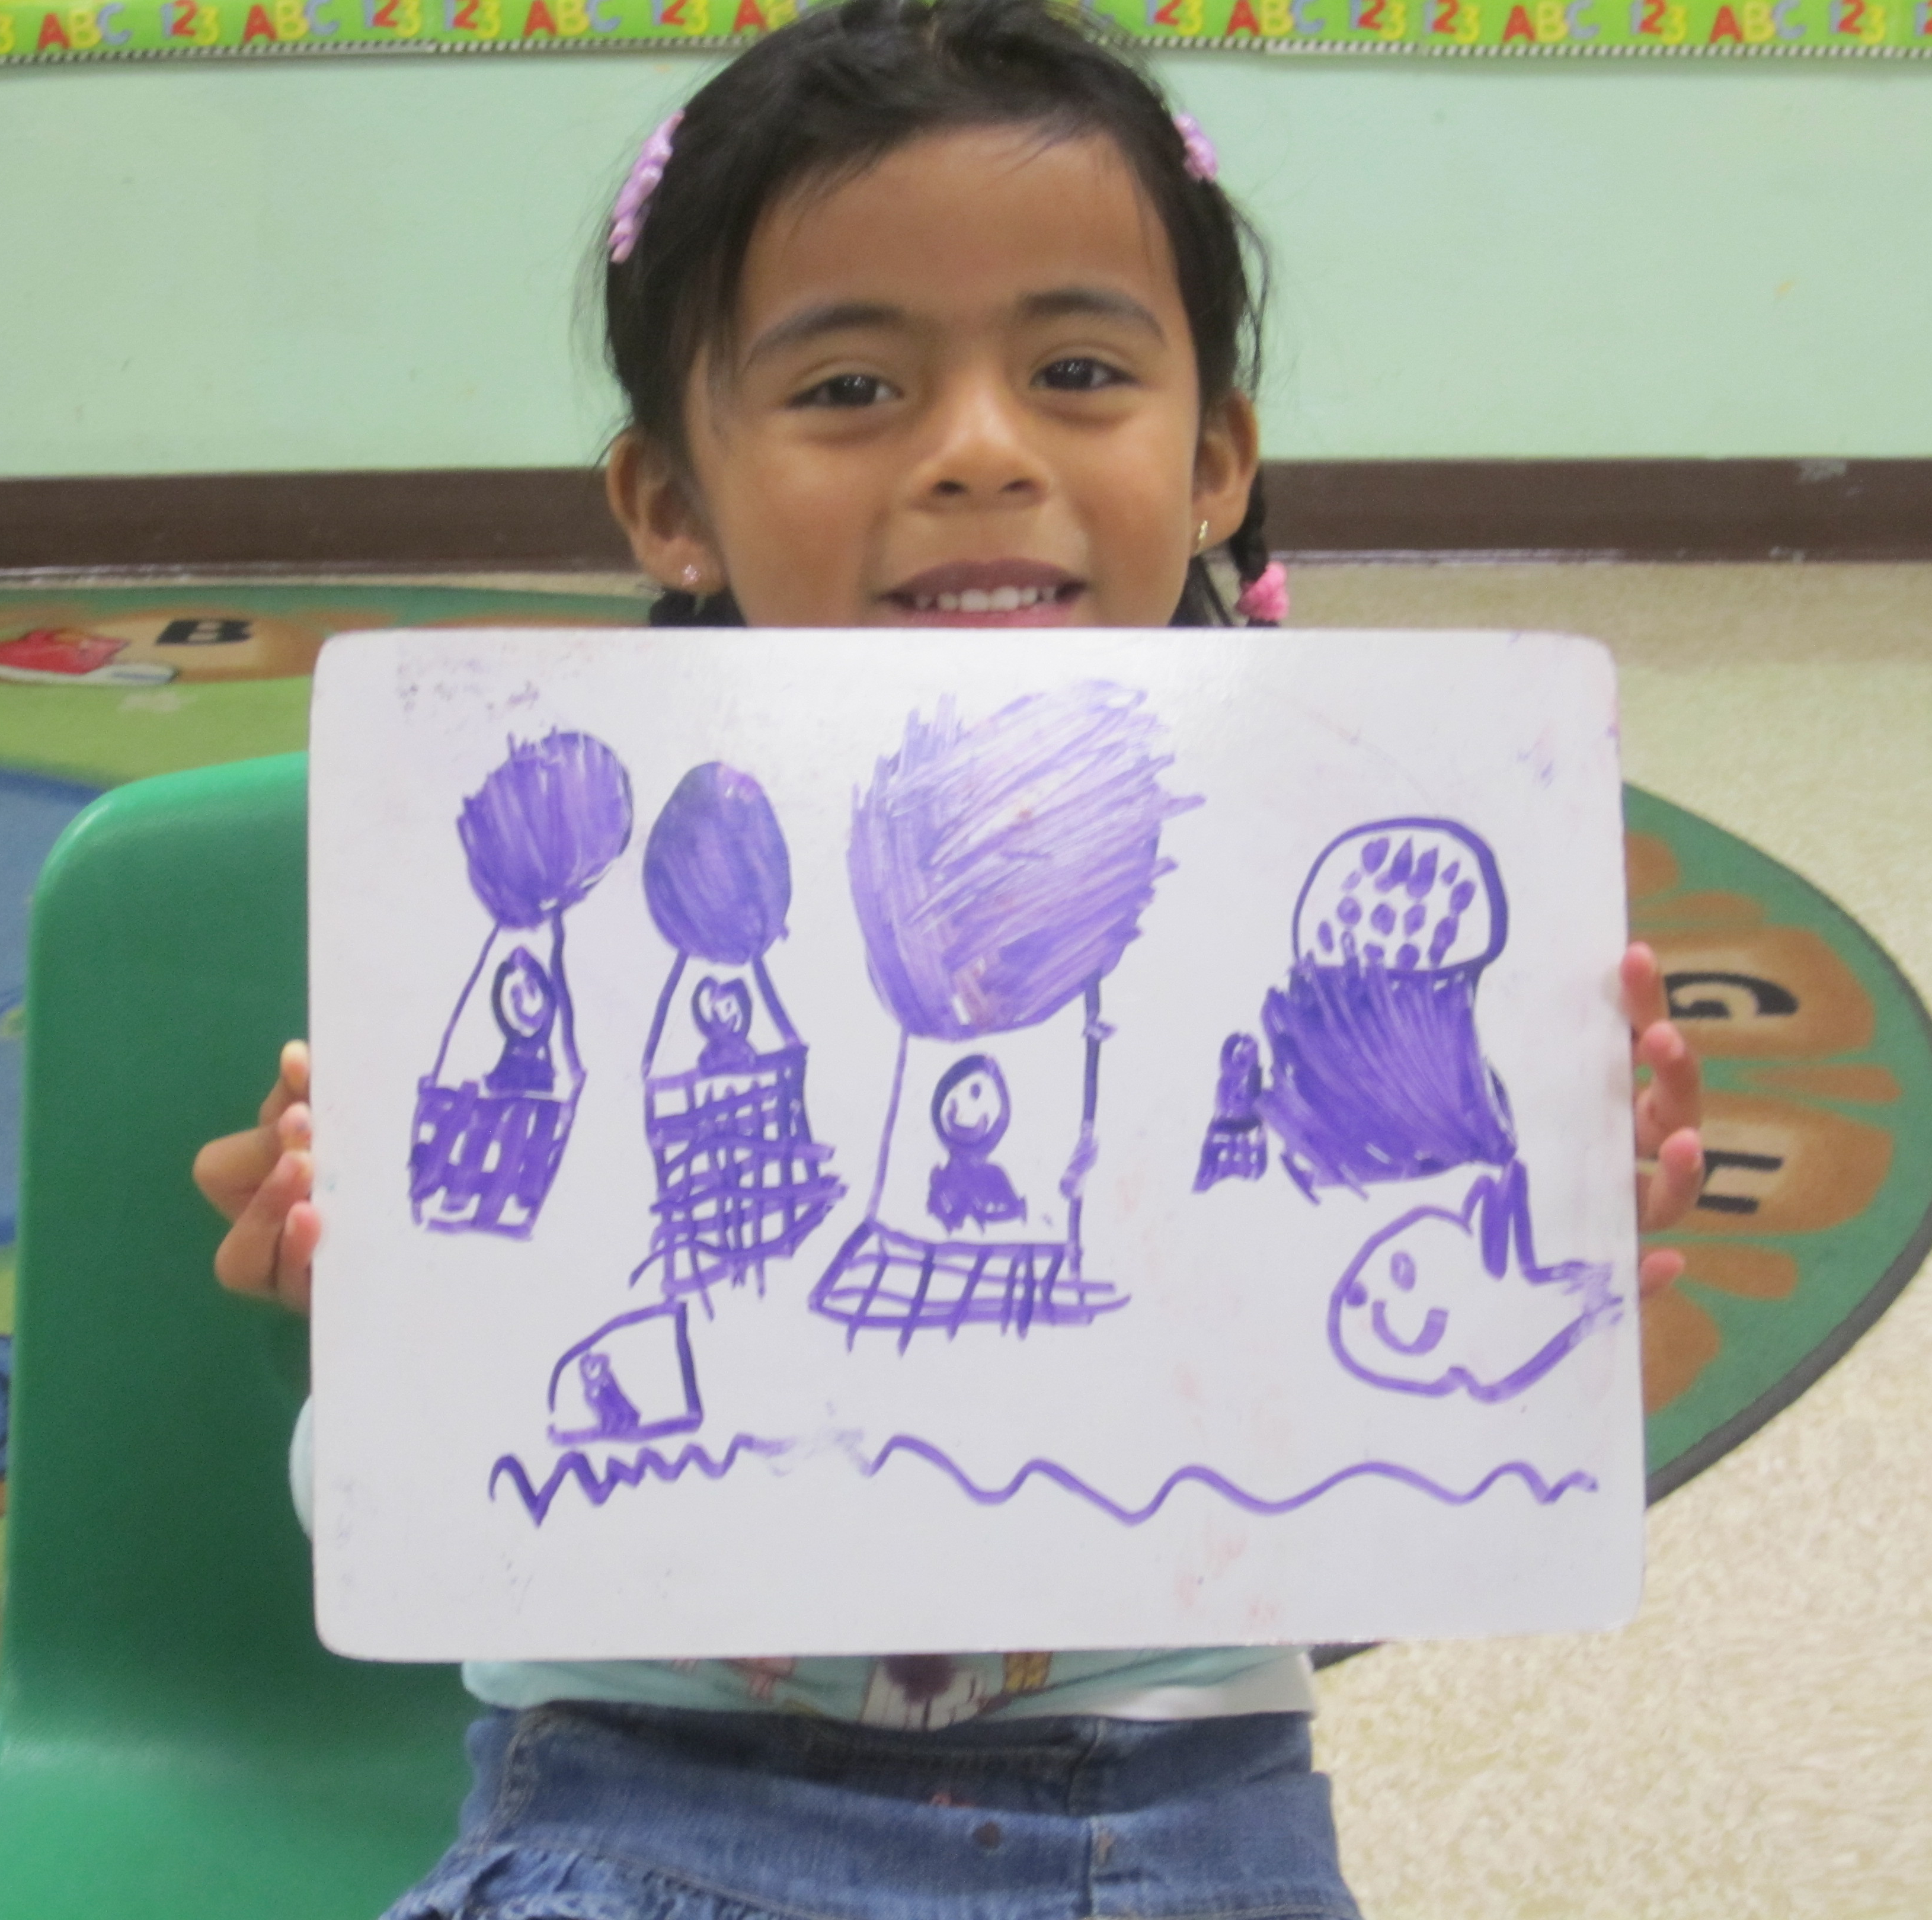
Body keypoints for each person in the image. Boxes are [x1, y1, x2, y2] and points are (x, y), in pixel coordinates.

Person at [191, 3, 1708, 1915]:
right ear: (669, 503)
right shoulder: (608, 916)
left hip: (1175, 1814)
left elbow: (1377, 1446)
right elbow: (409, 1523)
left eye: (1077, 370)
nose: (981, 453)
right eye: (850, 389)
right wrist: (372, 1322)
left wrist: (1545, 1275)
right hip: (636, 1800)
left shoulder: (1250, 920)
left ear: (1217, 459)